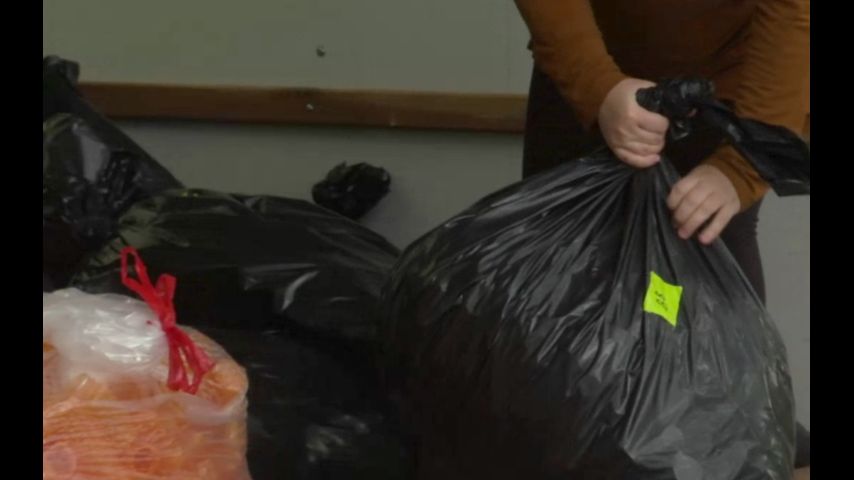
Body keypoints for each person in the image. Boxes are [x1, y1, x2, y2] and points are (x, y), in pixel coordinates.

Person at [513, 0, 810, 470]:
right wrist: (597, 87)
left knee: (712, 242)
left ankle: (744, 427)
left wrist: (740, 168)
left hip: (727, 88)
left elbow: (794, 12)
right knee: (561, 264)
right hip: (585, 69)